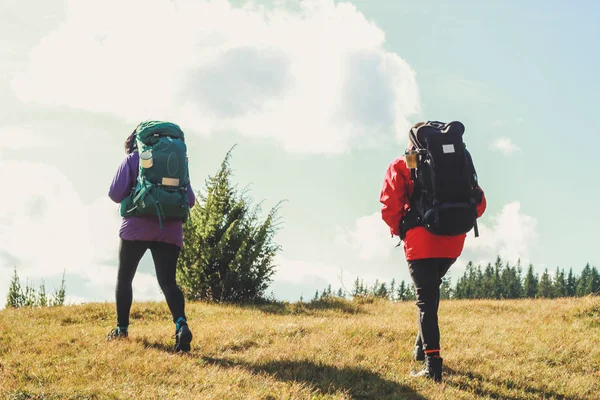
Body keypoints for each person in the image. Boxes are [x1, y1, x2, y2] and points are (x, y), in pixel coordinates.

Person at [380, 121, 487, 382]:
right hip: (453, 242)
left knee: (426, 300)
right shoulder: (459, 160)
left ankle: (433, 366)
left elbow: (389, 205)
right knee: (431, 292)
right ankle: (421, 349)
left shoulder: (403, 163)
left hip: (421, 242)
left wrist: (401, 230)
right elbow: (480, 202)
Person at [107, 124, 195, 352]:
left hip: (137, 227)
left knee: (125, 277)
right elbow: (190, 200)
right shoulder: (178, 163)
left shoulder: (136, 158)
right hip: (170, 229)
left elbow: (115, 194)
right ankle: (181, 325)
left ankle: (122, 330)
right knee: (168, 282)